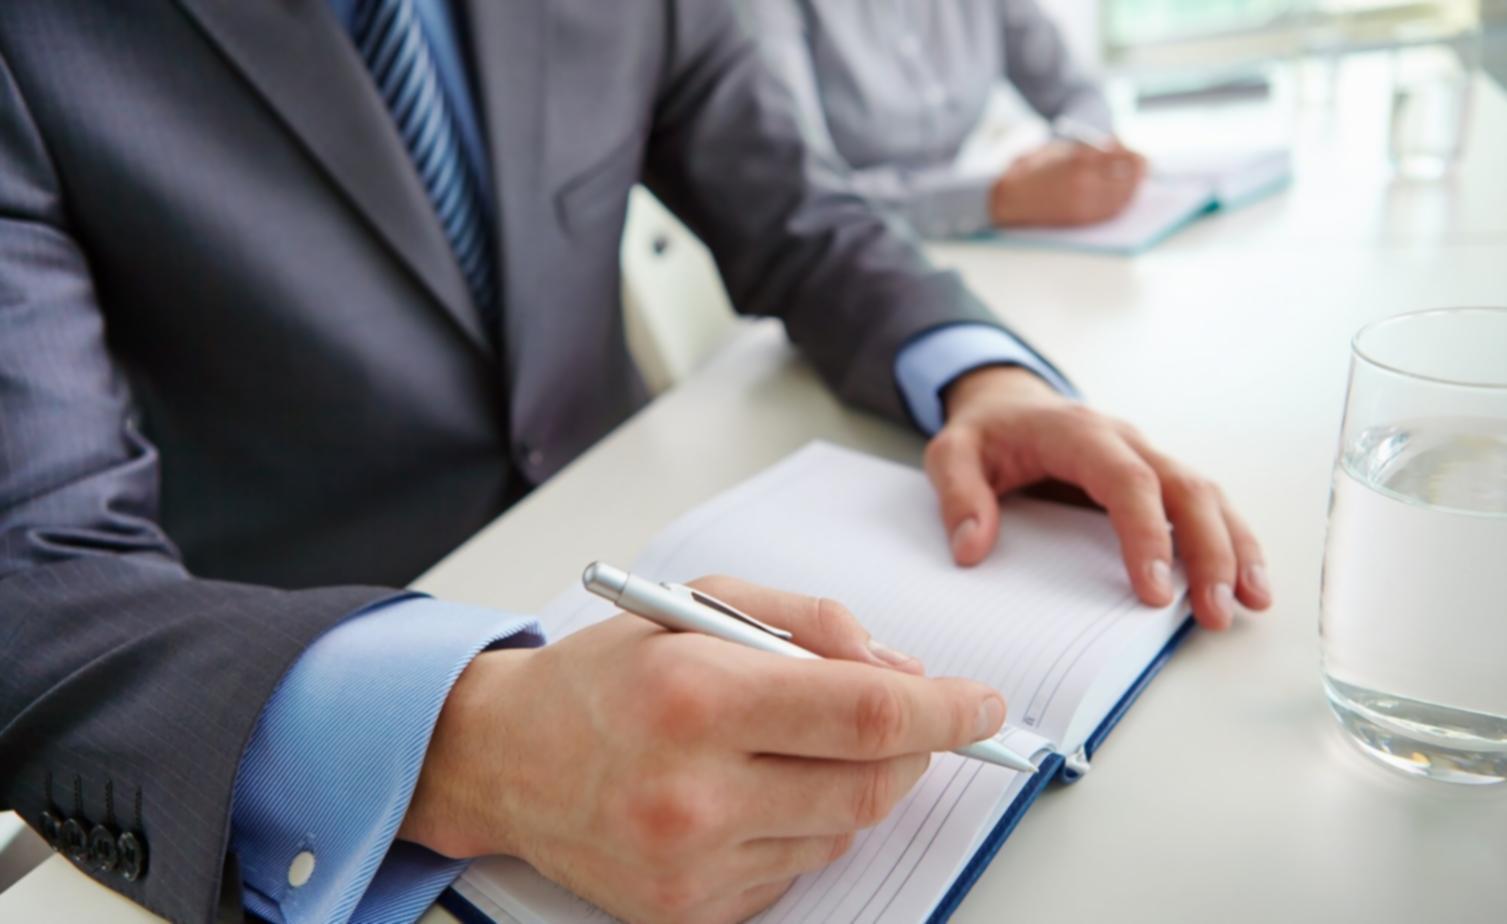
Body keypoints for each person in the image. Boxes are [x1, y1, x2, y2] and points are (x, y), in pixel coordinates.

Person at [0, 2, 1270, 922]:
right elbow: (31, 566)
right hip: (280, 669)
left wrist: (977, 374)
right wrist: (466, 746)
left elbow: (800, 214)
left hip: (638, 540)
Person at [741, 0, 1149, 238]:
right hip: (854, 260)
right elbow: (804, 192)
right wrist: (998, 199)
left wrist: (1069, 155)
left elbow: (1076, 91)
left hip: (981, 244)